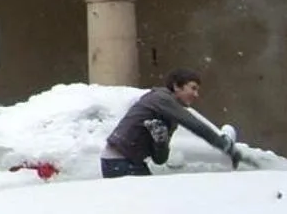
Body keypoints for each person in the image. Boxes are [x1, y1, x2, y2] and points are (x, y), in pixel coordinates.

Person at [102, 69, 241, 178]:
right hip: (119, 161)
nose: (196, 94)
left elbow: (159, 160)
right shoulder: (161, 99)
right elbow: (194, 124)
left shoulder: (169, 116)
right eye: (193, 88)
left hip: (126, 162)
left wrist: (160, 142)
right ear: (176, 86)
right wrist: (224, 145)